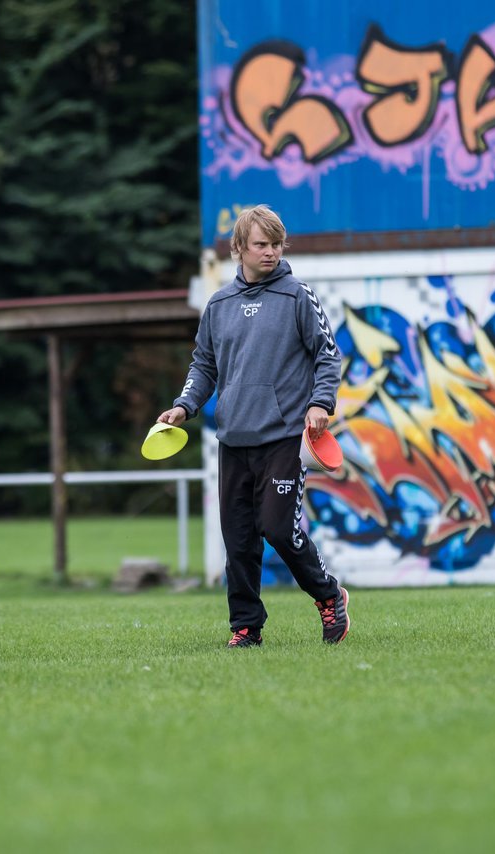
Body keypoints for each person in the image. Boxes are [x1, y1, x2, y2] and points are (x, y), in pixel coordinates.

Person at [158, 205, 349, 647]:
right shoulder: (218, 305)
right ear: (239, 248)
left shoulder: (297, 295)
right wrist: (184, 406)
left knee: (280, 530)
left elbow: (327, 355)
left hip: (284, 437)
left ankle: (328, 595)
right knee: (239, 540)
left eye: (276, 244)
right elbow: (203, 365)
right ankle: (246, 628)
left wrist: (321, 403)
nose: (270, 252)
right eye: (260, 244)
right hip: (234, 439)